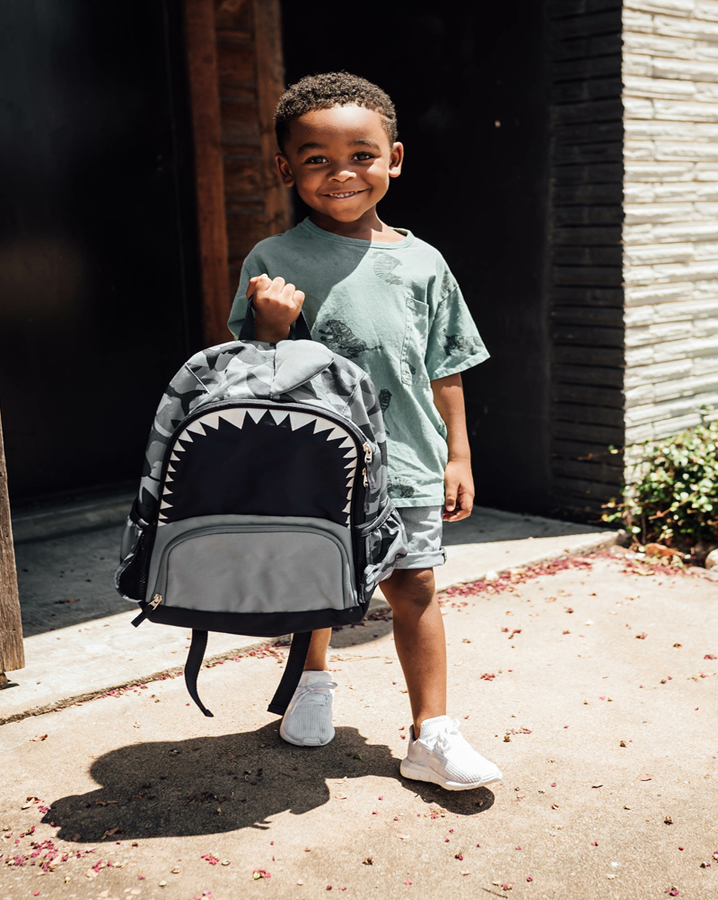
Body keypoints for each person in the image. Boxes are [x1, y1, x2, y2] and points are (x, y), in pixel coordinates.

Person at [227, 72, 501, 791]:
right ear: (286, 168)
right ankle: (311, 684)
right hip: (312, 462)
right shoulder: (272, 260)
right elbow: (251, 376)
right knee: (317, 582)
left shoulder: (424, 261)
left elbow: (446, 365)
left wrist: (459, 455)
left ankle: (431, 734)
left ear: (394, 158)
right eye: (316, 158)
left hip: (408, 456)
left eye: (361, 155)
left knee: (415, 587)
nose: (341, 172)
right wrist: (271, 327)